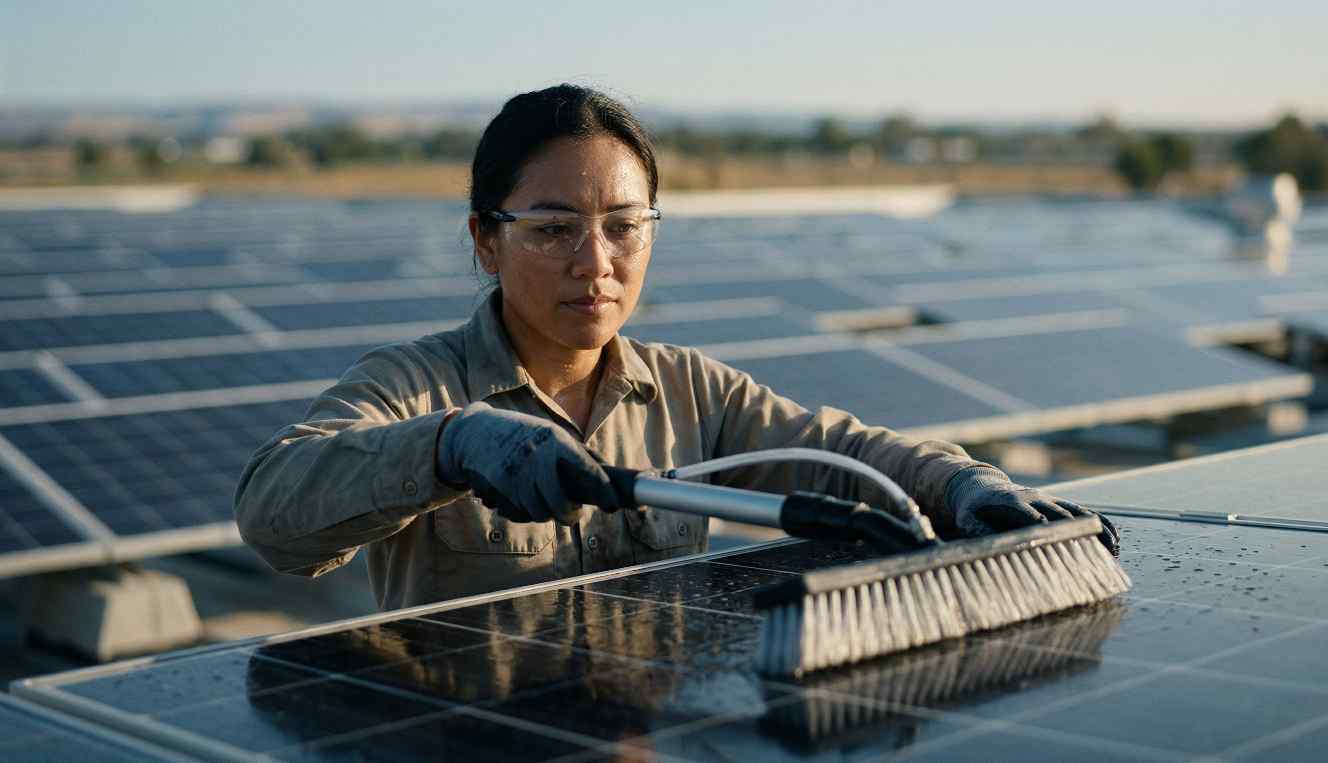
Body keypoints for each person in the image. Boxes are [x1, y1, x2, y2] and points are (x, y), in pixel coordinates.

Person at [234, 84, 1118, 611]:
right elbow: (274, 510)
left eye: (625, 226)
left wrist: (961, 483)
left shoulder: (689, 394)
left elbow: (840, 452)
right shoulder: (415, 386)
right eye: (552, 229)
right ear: (484, 240)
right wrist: (449, 445)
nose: (596, 263)